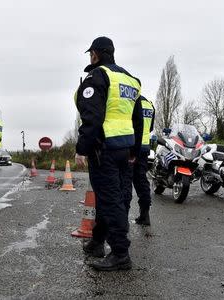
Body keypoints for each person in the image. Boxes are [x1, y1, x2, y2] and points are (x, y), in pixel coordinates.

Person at [75, 36, 141, 271]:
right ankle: (96, 242)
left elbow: (92, 118)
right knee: (113, 198)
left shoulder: (98, 76)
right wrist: (134, 150)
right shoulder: (131, 80)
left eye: (90, 53)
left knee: (110, 201)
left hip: (104, 149)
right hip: (125, 149)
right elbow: (137, 118)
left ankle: (121, 254)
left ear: (96, 54)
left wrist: (82, 148)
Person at [131, 95, 155, 226]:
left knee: (126, 180)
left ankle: (122, 218)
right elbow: (150, 127)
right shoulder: (150, 104)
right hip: (145, 147)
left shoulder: (133, 101)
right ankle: (145, 216)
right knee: (142, 180)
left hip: (132, 145)